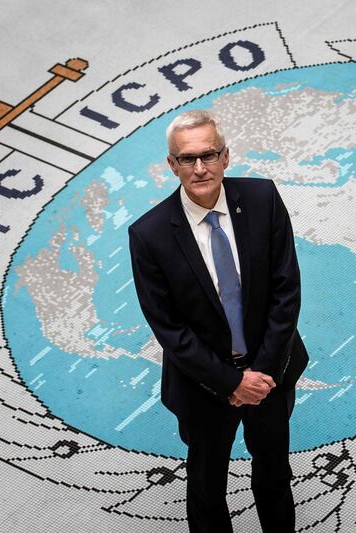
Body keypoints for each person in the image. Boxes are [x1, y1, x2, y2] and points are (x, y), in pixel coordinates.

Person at [128, 109, 308, 533]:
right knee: (207, 490)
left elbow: (286, 291)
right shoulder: (148, 235)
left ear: (226, 156)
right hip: (204, 387)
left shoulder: (263, 199)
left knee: (274, 473)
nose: (200, 167)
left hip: (270, 373)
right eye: (187, 159)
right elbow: (168, 328)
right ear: (172, 165)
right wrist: (231, 383)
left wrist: (260, 374)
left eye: (208, 155)